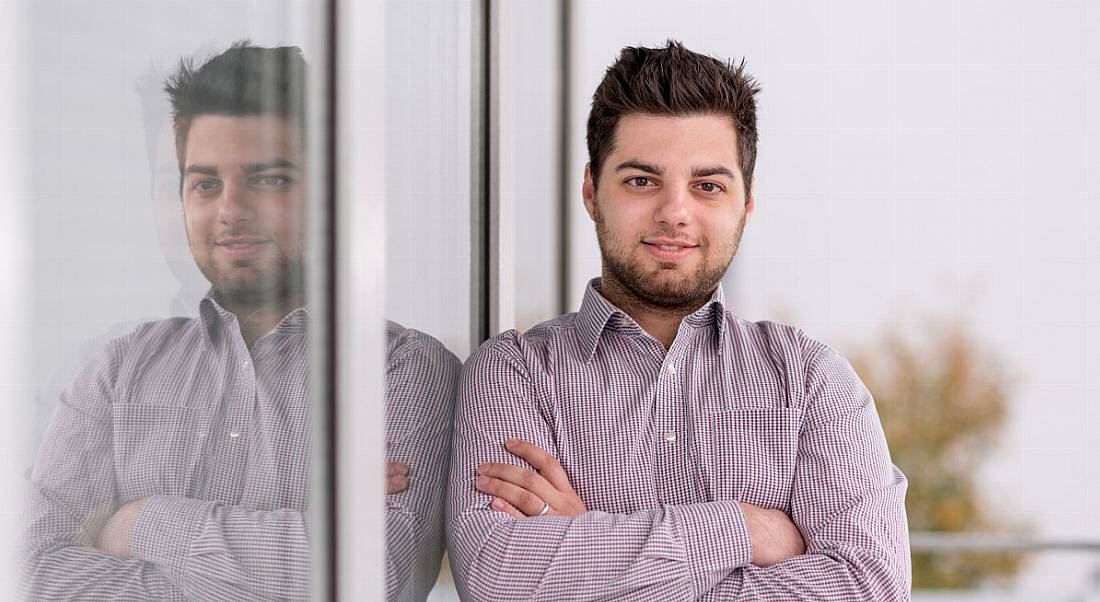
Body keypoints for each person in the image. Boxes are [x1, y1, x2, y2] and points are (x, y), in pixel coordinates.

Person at [447, 40, 911, 601]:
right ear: (592, 192)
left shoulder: (812, 381)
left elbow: (871, 588)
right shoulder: (512, 372)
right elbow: (500, 582)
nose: (674, 212)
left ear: (747, 202)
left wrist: (588, 550)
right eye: (641, 180)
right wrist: (741, 529)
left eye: (707, 186)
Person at [22, 42, 458, 601]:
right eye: (205, 184)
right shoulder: (116, 370)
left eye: (270, 179)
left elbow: (373, 578)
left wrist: (138, 523)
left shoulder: (401, 370)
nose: (230, 210)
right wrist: (286, 552)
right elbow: (28, 574)